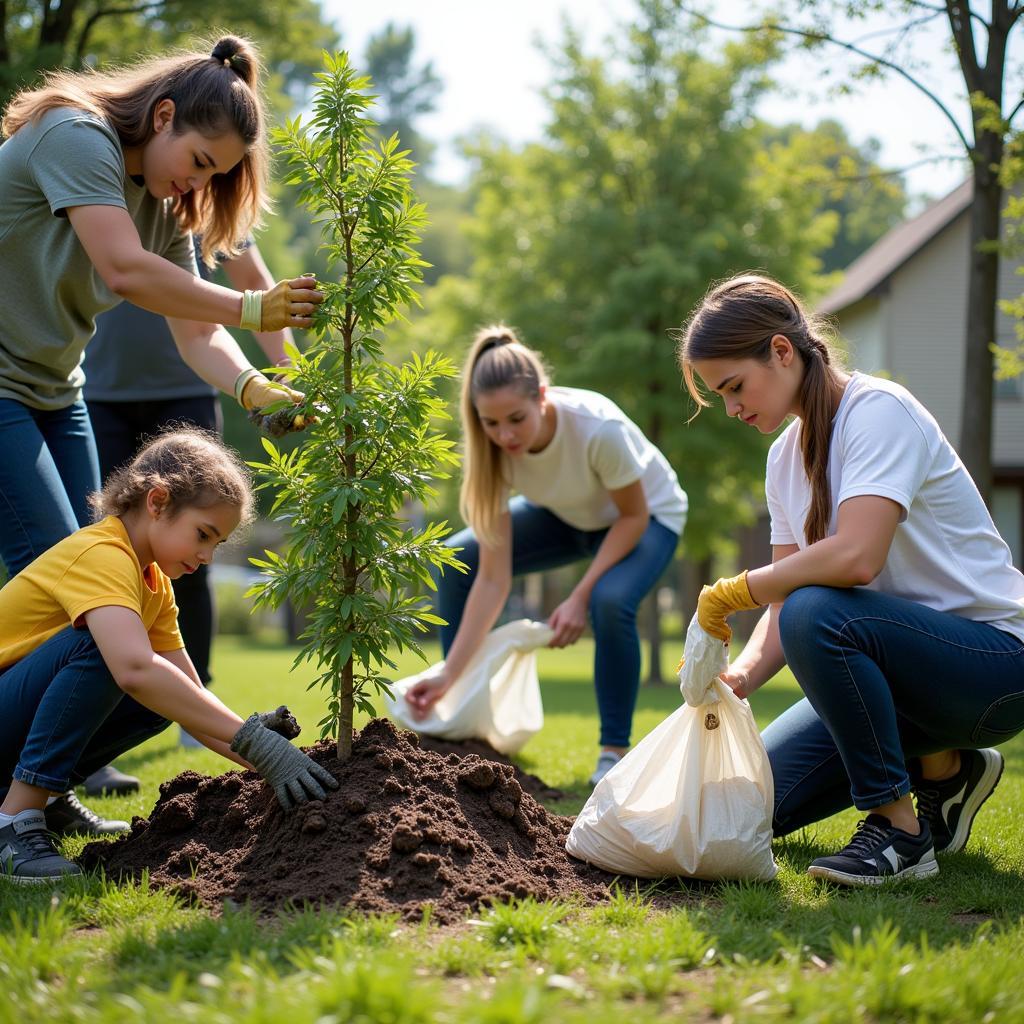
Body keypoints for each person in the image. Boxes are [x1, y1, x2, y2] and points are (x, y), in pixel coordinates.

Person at [0, 36, 320, 820]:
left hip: (51, 388)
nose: (198, 183)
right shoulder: (76, 134)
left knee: (117, 596)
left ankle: (41, 790)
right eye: (201, 161)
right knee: (86, 591)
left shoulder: (164, 201)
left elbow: (191, 329)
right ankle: (19, 810)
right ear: (165, 115)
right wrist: (252, 306)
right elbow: (124, 272)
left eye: (214, 174)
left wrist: (253, 388)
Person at [676, 273, 1024, 887]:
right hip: (901, 673)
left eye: (735, 387)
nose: (731, 408)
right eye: (719, 395)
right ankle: (947, 772)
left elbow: (856, 558)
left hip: (992, 663)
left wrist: (737, 589)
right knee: (749, 811)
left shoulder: (878, 413)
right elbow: (784, 603)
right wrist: (739, 677)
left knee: (818, 609)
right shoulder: (783, 458)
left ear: (782, 352)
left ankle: (899, 831)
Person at [0, 427, 338, 884]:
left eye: (216, 544)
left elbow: (189, 700)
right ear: (157, 502)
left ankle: (41, 801)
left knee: (163, 697)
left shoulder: (154, 584)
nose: (207, 556)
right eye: (203, 534)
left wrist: (266, 751)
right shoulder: (102, 554)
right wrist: (255, 743)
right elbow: (135, 669)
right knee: (117, 656)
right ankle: (15, 820)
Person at [405, 327, 687, 784]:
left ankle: (613, 753)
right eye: (490, 423)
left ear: (541, 395)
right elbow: (493, 580)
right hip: (566, 515)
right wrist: (447, 673)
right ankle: (459, 715)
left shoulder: (598, 427)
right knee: (457, 558)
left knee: (609, 601)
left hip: (645, 518)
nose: (504, 435)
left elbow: (632, 517)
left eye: (516, 419)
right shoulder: (492, 453)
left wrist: (579, 595)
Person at [85, 237, 295, 769]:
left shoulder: (204, 206)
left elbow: (255, 280)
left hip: (190, 382)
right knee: (105, 552)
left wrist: (289, 371)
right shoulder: (108, 191)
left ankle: (195, 703)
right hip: (99, 393)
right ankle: (91, 722)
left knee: (191, 553)